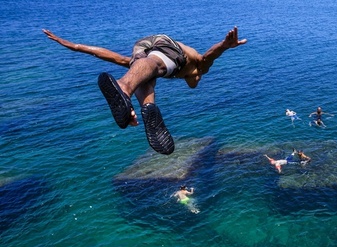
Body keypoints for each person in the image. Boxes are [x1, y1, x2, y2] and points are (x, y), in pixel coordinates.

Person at [42, 27, 247, 155]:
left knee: (141, 69)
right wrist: (225, 45)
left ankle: (147, 108)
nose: (194, 84)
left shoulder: (171, 70)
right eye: (194, 82)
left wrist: (74, 45)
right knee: (156, 65)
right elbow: (209, 55)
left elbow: (113, 57)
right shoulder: (198, 68)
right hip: (166, 45)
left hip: (142, 46)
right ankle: (125, 88)